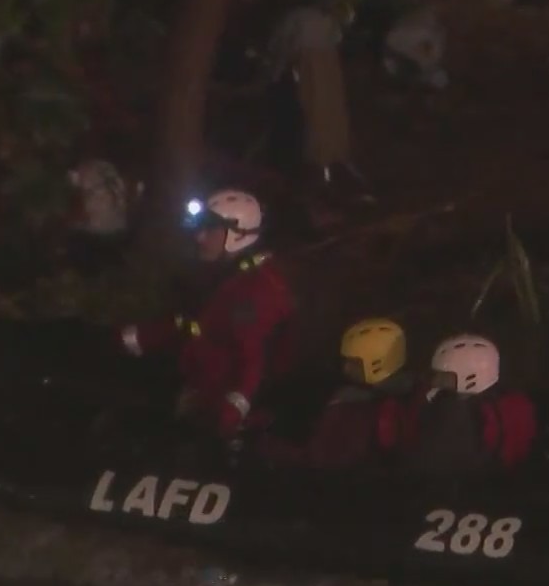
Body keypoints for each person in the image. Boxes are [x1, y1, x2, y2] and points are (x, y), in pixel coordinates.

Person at [118, 188, 296, 439]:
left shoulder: (256, 291)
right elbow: (195, 323)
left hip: (223, 418)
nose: (200, 237)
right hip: (198, 392)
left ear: (237, 236)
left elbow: (253, 362)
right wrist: (135, 338)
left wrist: (231, 413)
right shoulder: (224, 276)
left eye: (210, 230)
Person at [395, 334, 537, 478]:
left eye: (444, 375)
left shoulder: (453, 411)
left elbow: (428, 464)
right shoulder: (505, 400)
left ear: (469, 377)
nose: (436, 379)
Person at [288, 317, 417, 469]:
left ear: (376, 364)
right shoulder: (416, 395)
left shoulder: (349, 408)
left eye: (354, 363)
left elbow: (319, 458)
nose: (346, 369)